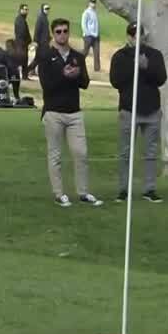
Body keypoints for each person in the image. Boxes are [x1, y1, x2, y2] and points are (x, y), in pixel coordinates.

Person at [38, 17, 103, 207]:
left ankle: (83, 192)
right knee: (55, 155)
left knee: (81, 153)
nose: (62, 35)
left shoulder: (77, 56)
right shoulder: (46, 57)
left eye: (65, 31)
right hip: (53, 112)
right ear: (53, 34)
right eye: (58, 32)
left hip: (74, 112)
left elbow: (85, 83)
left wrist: (75, 76)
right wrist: (63, 75)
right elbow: (46, 85)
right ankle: (59, 193)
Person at [109, 21, 167, 203]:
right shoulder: (120, 56)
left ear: (144, 36)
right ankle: (123, 190)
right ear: (128, 36)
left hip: (151, 110)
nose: (136, 38)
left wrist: (146, 67)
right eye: (132, 35)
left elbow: (161, 78)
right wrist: (134, 66)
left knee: (150, 152)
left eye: (139, 35)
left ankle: (149, 189)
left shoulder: (154, 55)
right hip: (129, 109)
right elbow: (116, 81)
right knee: (126, 153)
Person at [29, 2, 51, 77]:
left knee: (38, 58)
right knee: (42, 58)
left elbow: (45, 31)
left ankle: (30, 70)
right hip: (42, 43)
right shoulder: (41, 18)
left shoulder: (44, 17)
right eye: (46, 9)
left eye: (48, 9)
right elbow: (37, 30)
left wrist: (49, 37)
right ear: (42, 9)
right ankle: (30, 70)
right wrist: (35, 42)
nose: (47, 10)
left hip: (45, 42)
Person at [81, 0, 100, 71]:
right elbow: (83, 24)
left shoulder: (94, 12)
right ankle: (79, 62)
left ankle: (97, 69)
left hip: (96, 36)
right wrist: (88, 33)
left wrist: (97, 34)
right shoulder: (86, 12)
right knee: (85, 51)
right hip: (88, 36)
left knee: (97, 53)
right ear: (89, 3)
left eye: (94, 2)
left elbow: (96, 24)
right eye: (92, 2)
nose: (93, 4)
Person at [13, 3, 32, 80]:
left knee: (24, 60)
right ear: (20, 10)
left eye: (27, 10)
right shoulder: (20, 20)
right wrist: (27, 41)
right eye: (24, 9)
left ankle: (25, 76)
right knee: (20, 59)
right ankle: (14, 75)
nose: (26, 11)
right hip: (21, 43)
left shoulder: (22, 19)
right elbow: (22, 33)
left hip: (23, 43)